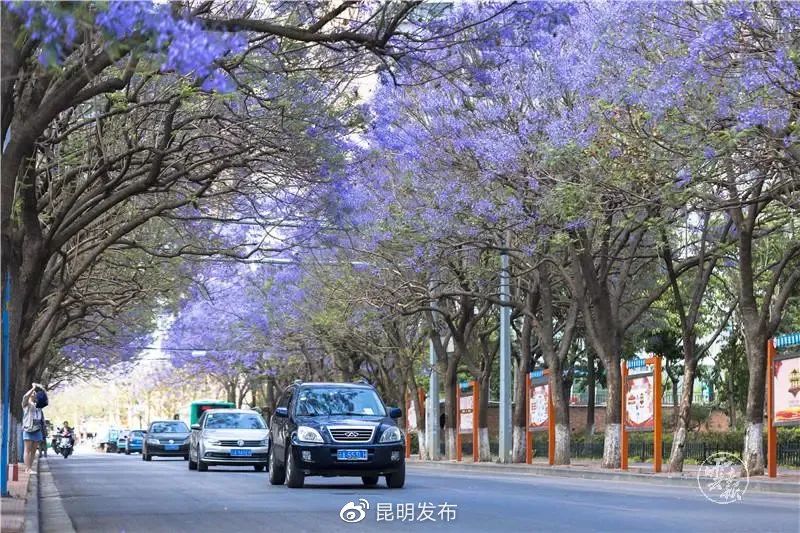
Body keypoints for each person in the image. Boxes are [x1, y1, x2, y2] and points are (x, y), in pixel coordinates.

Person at [22, 383, 46, 474]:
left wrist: (42, 389)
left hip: (37, 429)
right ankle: (27, 469)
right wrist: (33, 388)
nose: (33, 394)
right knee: (27, 450)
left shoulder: (39, 405)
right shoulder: (26, 405)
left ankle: (30, 468)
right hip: (28, 428)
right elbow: (25, 397)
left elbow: (46, 398)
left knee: (33, 450)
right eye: (32, 393)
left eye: (34, 393)